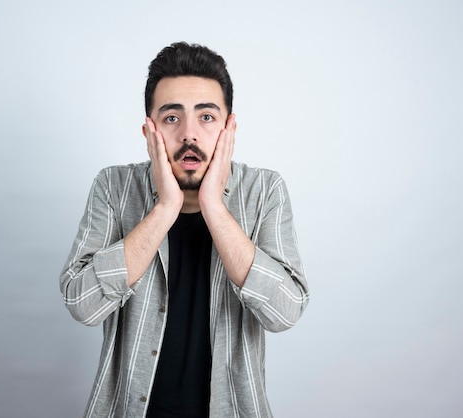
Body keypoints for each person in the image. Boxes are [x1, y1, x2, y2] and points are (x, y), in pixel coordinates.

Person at [60, 41, 310, 418]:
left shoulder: (264, 191)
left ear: (229, 127)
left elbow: (285, 313)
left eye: (207, 117)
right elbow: (83, 305)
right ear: (149, 129)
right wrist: (165, 207)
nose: (189, 135)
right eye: (172, 118)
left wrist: (213, 206)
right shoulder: (113, 187)